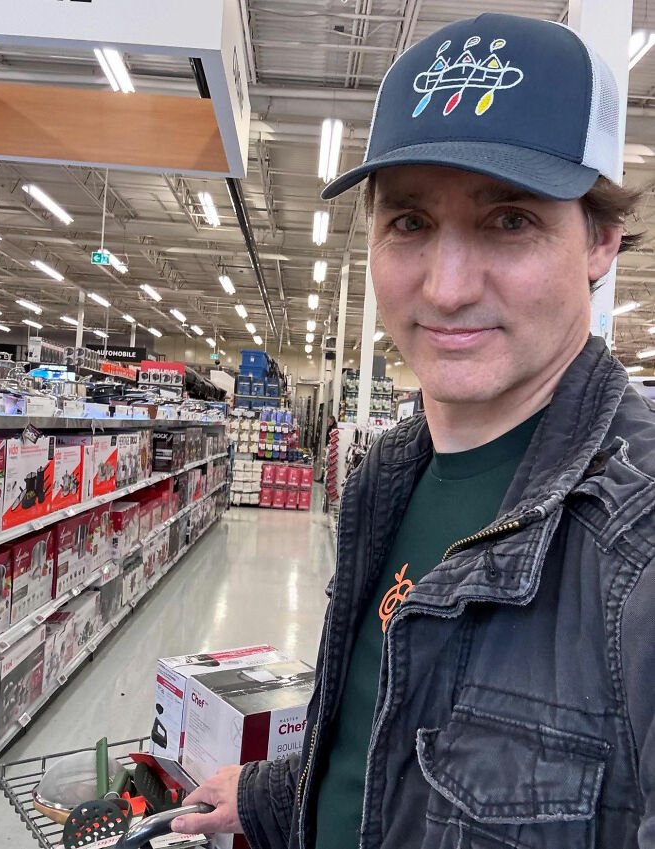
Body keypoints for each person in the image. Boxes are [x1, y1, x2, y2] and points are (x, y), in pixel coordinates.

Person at [173, 13, 654, 849]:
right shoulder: (387, 474)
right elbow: (382, 733)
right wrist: (269, 795)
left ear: (600, 239)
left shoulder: (638, 549)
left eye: (510, 220)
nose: (448, 285)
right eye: (410, 222)